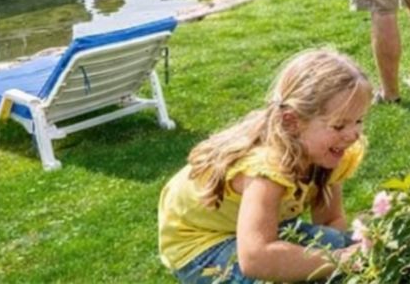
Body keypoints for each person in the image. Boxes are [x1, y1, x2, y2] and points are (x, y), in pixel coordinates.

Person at [157, 50, 372, 283]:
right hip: (202, 244)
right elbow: (256, 259)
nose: (353, 135)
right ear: (292, 121)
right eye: (339, 125)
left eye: (358, 120)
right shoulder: (267, 170)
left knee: (341, 245)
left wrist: (342, 260)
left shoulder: (328, 152)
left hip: (255, 230)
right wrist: (339, 260)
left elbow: (330, 222)